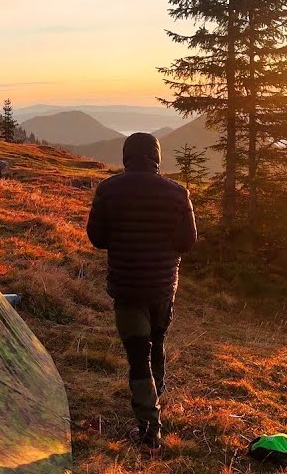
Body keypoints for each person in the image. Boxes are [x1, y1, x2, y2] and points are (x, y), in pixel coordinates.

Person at [85, 132, 197, 451]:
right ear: (157, 157)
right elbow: (187, 243)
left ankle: (150, 430)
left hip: (127, 288)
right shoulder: (178, 193)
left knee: (138, 356)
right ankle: (153, 400)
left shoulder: (109, 190)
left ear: (126, 156)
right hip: (163, 288)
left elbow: (97, 238)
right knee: (157, 342)